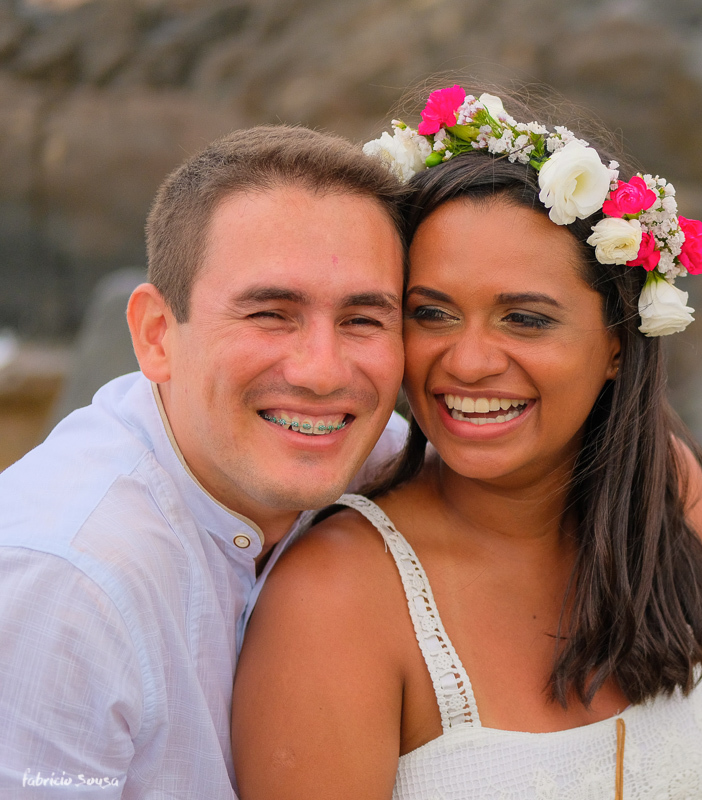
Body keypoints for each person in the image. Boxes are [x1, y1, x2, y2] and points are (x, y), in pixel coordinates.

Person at [233, 88, 702, 798]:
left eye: (525, 320)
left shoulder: (669, 492)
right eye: (432, 313)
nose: (469, 362)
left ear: (617, 344)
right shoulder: (336, 597)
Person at [0, 125, 410, 798]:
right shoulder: (65, 586)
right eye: (271, 314)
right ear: (157, 336)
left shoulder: (380, 460)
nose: (322, 372)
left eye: (364, 320)